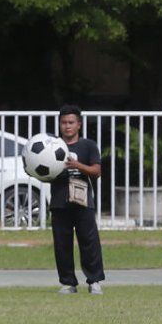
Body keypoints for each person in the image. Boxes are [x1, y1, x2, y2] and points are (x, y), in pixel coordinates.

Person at [52, 105, 105, 295]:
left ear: (79, 125)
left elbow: (96, 171)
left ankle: (94, 281)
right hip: (60, 201)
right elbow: (45, 172)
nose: (67, 126)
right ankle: (68, 283)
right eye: (64, 122)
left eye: (71, 122)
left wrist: (76, 165)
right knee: (62, 243)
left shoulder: (88, 146)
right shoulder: (53, 145)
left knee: (89, 241)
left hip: (83, 201)